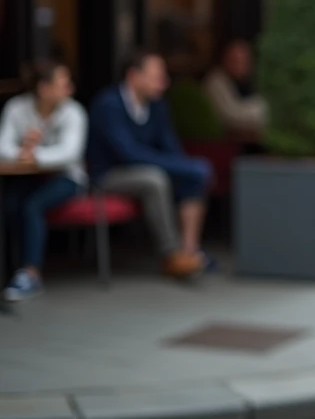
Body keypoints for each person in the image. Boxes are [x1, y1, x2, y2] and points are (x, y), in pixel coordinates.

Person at [88, 50, 213, 279]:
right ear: (134, 76)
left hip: (145, 167)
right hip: (108, 175)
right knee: (154, 179)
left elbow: (171, 147)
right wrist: (180, 166)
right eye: (157, 77)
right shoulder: (109, 104)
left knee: (191, 175)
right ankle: (171, 254)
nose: (163, 83)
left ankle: (190, 250)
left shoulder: (157, 106)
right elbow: (129, 154)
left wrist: (186, 167)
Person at [0, 61, 87, 301]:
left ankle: (31, 272)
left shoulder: (74, 112)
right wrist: (22, 152)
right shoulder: (17, 108)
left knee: (33, 205)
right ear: (43, 88)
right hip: (27, 177)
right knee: (9, 202)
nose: (69, 89)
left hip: (67, 177)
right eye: (63, 84)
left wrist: (34, 154)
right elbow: (2, 145)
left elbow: (71, 152)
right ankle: (12, 265)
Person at [202, 39, 268, 137]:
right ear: (224, 59)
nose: (240, 65)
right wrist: (262, 110)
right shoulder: (216, 81)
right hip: (225, 141)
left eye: (244, 61)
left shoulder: (248, 81)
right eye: (234, 60)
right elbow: (231, 116)